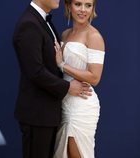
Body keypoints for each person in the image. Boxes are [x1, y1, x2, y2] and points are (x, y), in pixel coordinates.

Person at [13, 0, 92, 158]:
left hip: (49, 113)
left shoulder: (41, 20)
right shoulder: (29, 24)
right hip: (38, 114)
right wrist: (68, 87)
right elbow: (35, 71)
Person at [53, 0, 105, 157]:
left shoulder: (94, 36)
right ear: (69, 6)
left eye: (88, 5)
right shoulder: (65, 34)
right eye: (78, 4)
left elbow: (95, 77)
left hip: (82, 105)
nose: (83, 10)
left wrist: (62, 65)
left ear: (93, 8)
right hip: (64, 102)